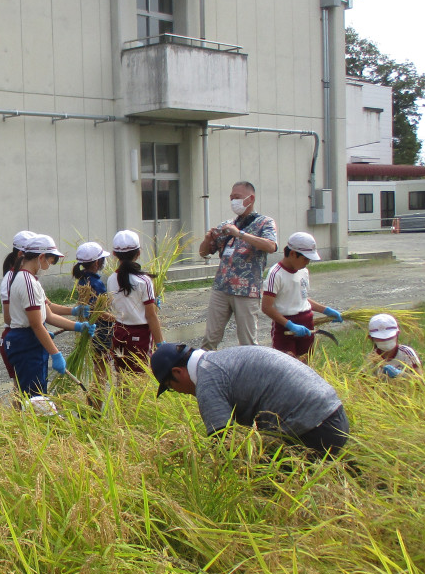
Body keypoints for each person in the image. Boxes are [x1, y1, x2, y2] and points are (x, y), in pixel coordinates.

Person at [150, 341, 350, 459]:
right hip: (335, 416)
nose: (180, 393)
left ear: (177, 372)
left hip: (313, 428)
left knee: (266, 485)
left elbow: (225, 446)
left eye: (171, 388)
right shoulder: (223, 358)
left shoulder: (207, 380)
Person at [3, 234, 94, 396]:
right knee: (35, 397)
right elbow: (37, 324)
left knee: (36, 395)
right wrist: (56, 353)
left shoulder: (28, 279)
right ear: (41, 257)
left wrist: (79, 326)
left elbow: (49, 315)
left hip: (29, 339)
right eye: (50, 261)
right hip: (27, 342)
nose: (49, 265)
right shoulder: (27, 282)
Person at [198, 181, 278, 349]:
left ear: (251, 198)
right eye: (232, 197)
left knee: (247, 341)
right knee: (210, 338)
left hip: (246, 290)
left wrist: (240, 234)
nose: (234, 201)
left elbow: (271, 246)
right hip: (222, 287)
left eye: (238, 197)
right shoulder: (227, 225)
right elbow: (204, 252)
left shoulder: (264, 223)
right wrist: (208, 239)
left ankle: (249, 372)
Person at [260, 232, 343, 361]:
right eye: (305, 259)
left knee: (305, 365)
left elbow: (301, 298)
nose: (308, 263)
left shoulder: (303, 271)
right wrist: (290, 325)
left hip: (306, 325)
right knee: (287, 366)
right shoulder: (276, 274)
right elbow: (266, 307)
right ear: (292, 254)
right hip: (285, 328)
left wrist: (326, 310)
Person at [106, 230, 163, 373]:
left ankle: (120, 397)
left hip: (119, 332)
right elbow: (151, 316)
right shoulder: (144, 281)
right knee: (140, 378)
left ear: (114, 254)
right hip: (141, 335)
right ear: (138, 253)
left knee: (122, 377)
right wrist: (161, 343)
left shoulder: (111, 279)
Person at [72, 241, 114, 387]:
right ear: (97, 262)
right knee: (102, 373)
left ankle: (94, 404)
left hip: (92, 330)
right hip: (101, 331)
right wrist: (119, 319)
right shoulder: (95, 284)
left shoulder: (83, 280)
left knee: (101, 370)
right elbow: (99, 312)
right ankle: (95, 404)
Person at [0, 230, 35, 387]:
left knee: (25, 389)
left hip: (27, 334)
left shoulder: (27, 277)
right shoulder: (11, 279)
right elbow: (8, 318)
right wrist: (35, 325)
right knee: (22, 390)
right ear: (21, 254)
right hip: (17, 337)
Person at [366, 313, 422, 379]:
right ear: (371, 338)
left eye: (389, 337)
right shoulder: (372, 359)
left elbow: (421, 380)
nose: (385, 340)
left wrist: (400, 374)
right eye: (380, 338)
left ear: (397, 334)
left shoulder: (407, 353)